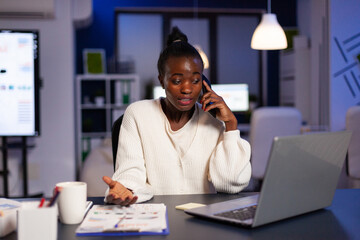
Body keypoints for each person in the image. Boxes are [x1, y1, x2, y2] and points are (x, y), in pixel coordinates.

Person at [102, 27, 251, 205]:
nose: (187, 89)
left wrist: (231, 125)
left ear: (204, 83)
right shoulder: (138, 114)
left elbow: (229, 184)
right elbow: (131, 172)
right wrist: (126, 189)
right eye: (177, 81)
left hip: (202, 221)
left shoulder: (213, 121)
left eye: (195, 81)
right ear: (162, 80)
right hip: (157, 217)